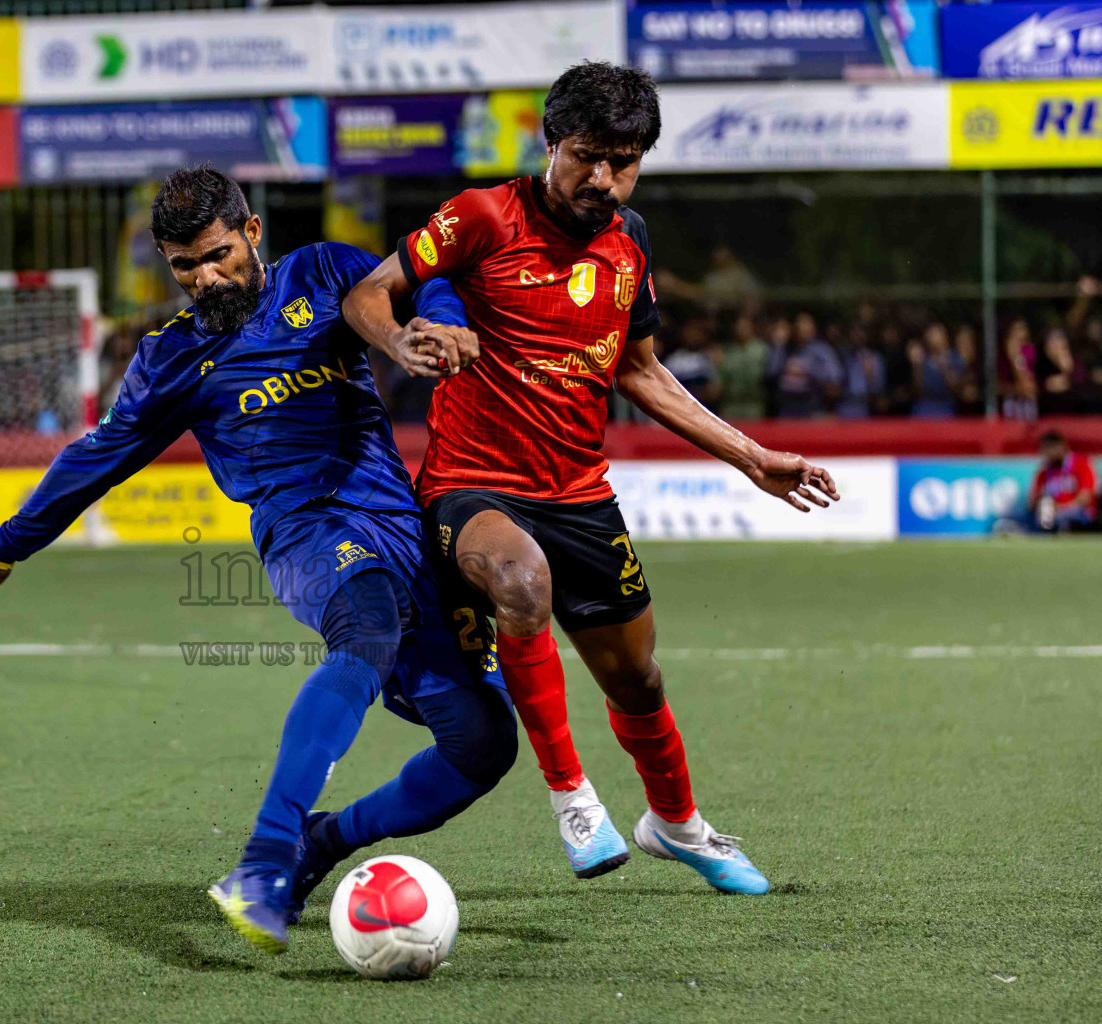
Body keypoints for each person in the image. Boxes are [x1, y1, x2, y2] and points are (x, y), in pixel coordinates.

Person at [0, 167, 517, 955]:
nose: (205, 277)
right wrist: (1, 551)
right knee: (367, 629)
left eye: (217, 255)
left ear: (251, 231)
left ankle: (321, 844)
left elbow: (423, 281)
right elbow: (93, 459)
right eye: (184, 266)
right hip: (306, 534)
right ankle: (265, 859)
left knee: (484, 744)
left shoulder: (325, 271)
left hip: (404, 528)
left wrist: (443, 322)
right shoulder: (173, 360)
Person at [344, 61, 837, 895]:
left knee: (637, 678)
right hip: (473, 484)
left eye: (624, 160)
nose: (602, 179)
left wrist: (753, 457)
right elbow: (369, 293)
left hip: (579, 493)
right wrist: (401, 344)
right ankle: (573, 798)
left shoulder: (629, 240)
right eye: (585, 156)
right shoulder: (482, 216)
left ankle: (674, 824)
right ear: (550, 143)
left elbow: (640, 373)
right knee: (519, 580)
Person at [1028, 430, 1097, 532]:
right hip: (1053, 520)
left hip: (1080, 517)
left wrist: (1060, 508)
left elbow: (1085, 498)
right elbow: (1032, 504)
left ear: (1061, 447)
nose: (1047, 454)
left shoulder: (1081, 464)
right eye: (1044, 450)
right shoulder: (1044, 472)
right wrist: (1042, 503)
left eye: (1050, 449)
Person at [715, 314, 768, 420]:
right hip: (731, 405)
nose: (741, 330)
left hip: (754, 406)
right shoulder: (727, 352)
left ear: (752, 327)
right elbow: (720, 381)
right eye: (738, 326)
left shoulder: (763, 350)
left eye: (744, 327)